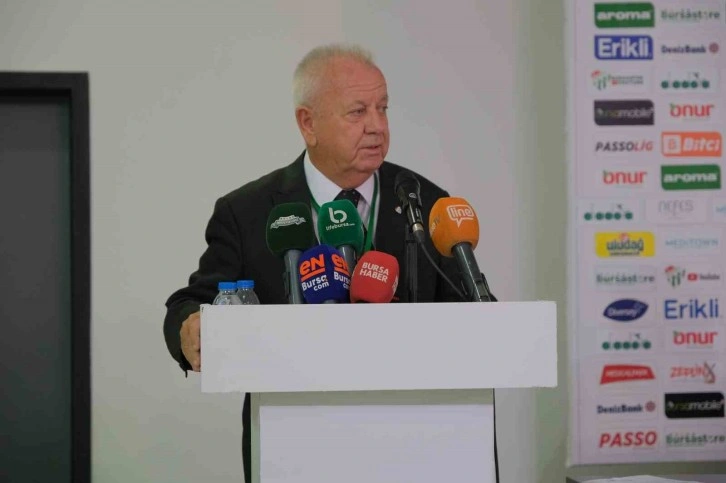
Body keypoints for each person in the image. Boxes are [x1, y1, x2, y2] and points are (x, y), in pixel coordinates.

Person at [163, 43, 473, 483]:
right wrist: (189, 325)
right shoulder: (248, 211)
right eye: (358, 112)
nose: (377, 126)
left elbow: (471, 313)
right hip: (294, 448)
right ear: (307, 123)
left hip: (413, 441)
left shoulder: (425, 202)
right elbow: (193, 301)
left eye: (383, 109)